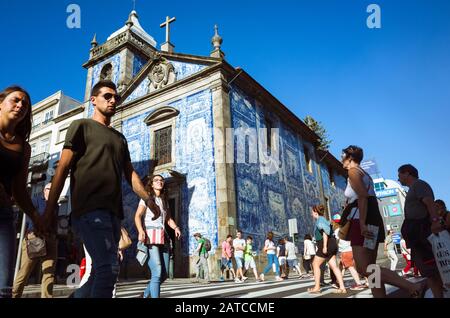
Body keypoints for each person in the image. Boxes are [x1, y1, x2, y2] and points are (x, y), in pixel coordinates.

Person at [42, 80, 154, 298]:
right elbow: (63, 167)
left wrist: (148, 199)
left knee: (96, 274)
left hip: (113, 214)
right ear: (93, 100)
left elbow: (130, 174)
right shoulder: (81, 126)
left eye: (116, 97)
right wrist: (49, 211)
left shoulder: (120, 138)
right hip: (89, 210)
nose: (113, 100)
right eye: (108, 96)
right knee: (108, 268)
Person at [341, 146, 425, 298]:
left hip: (361, 219)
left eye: (343, 156)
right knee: (371, 266)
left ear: (350, 158)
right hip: (373, 219)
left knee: (363, 268)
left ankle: (412, 286)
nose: (341, 159)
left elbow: (362, 196)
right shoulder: (364, 173)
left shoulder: (353, 172)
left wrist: (361, 223)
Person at [0, 86, 41, 298]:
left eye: (25, 105)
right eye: (16, 100)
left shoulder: (24, 148)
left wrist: (37, 217)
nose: (20, 106)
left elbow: (19, 190)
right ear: (0, 102)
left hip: (3, 216)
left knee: (4, 289)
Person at [398, 164, 444, 298]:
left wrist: (435, 221)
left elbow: (430, 203)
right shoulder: (413, 188)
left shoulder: (419, 185)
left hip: (423, 235)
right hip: (417, 238)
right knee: (428, 272)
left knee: (433, 271)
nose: (398, 178)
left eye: (399, 174)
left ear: (407, 173)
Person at [134, 174, 181, 298]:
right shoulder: (146, 198)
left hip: (163, 237)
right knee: (157, 271)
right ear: (152, 184)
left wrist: (176, 227)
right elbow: (138, 216)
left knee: (164, 274)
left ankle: (144, 295)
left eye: (161, 180)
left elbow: (169, 219)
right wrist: (140, 230)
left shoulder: (164, 201)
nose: (159, 182)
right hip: (150, 236)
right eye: (156, 180)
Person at [13, 183, 58, 298]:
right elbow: (29, 218)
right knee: (25, 272)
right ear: (44, 190)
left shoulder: (55, 205)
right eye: (49, 189)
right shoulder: (36, 200)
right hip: (35, 237)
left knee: (49, 273)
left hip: (50, 239)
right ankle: (14, 295)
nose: (52, 192)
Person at [307, 205, 346, 294]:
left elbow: (325, 232)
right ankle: (342, 287)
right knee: (334, 266)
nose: (311, 214)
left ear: (315, 212)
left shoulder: (320, 220)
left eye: (312, 212)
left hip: (325, 244)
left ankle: (317, 287)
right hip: (332, 244)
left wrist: (324, 246)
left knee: (315, 264)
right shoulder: (324, 220)